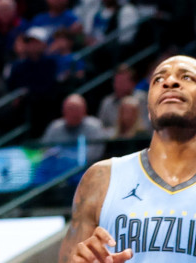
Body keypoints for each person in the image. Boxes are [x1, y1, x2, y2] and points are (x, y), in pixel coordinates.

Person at [59, 55, 196, 263]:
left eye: (187, 77)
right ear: (149, 110)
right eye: (158, 80)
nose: (169, 82)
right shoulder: (101, 178)